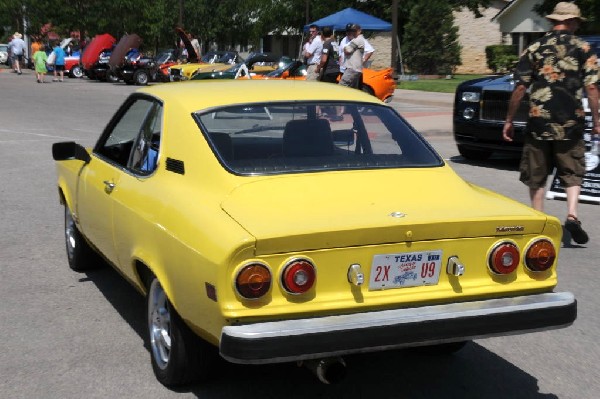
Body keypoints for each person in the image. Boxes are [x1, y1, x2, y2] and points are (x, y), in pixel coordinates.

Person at [502, 2, 599, 245]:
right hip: (571, 122)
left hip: (539, 122)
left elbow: (521, 87)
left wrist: (510, 119)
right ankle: (572, 215)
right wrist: (597, 121)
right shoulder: (583, 47)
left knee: (536, 174)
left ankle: (540, 220)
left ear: (553, 21)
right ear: (573, 22)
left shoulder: (534, 47)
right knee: (572, 171)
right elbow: (592, 87)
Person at [339, 24, 365, 89]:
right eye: (351, 31)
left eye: (354, 31)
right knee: (352, 89)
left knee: (341, 86)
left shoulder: (357, 39)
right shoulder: (356, 39)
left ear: (359, 31)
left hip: (352, 68)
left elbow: (347, 50)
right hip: (355, 68)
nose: (352, 32)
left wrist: (345, 48)